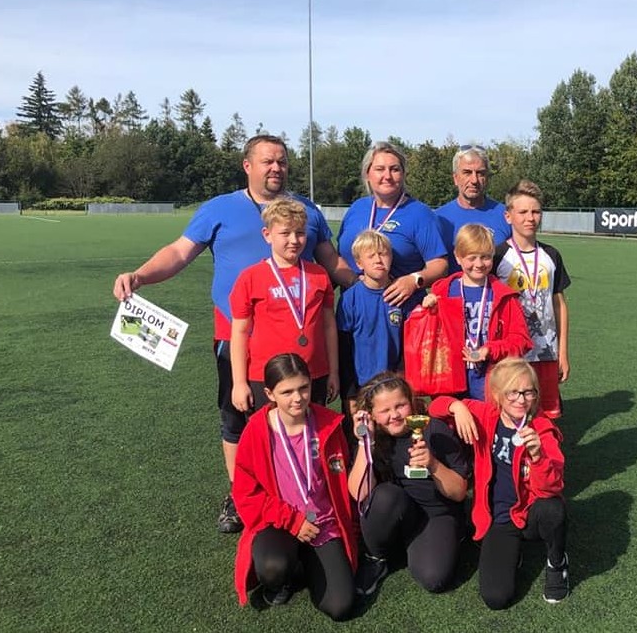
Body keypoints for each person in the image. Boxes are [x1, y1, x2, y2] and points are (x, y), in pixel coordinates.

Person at [112, 134, 355, 535]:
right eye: (267, 161)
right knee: (237, 416)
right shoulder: (219, 208)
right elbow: (179, 252)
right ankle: (240, 493)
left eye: (282, 161)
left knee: (300, 415)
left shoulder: (304, 211)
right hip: (236, 336)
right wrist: (139, 276)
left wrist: (371, 286)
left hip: (296, 343)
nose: (275, 168)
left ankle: (301, 491)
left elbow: (331, 261)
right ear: (247, 166)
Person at [428, 357, 568, 608]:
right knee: (495, 597)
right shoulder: (485, 415)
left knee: (553, 509)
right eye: (513, 392)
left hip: (530, 512)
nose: (521, 400)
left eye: (528, 392)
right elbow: (435, 407)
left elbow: (552, 488)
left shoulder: (542, 429)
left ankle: (557, 562)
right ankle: (513, 553)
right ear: (497, 395)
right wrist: (457, 407)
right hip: (500, 518)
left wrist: (538, 457)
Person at [232, 353, 357, 619]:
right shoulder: (257, 430)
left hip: (322, 522)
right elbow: (246, 493)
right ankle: (285, 573)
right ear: (269, 393)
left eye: (303, 388)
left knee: (340, 606)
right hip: (279, 523)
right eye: (286, 392)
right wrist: (292, 521)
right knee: (273, 567)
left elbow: (341, 477)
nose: (298, 398)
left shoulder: (329, 424)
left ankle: (304, 564)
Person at [347, 372, 469, 597]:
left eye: (400, 406)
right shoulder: (372, 439)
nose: (394, 415)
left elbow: (460, 492)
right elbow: (359, 493)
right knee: (384, 496)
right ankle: (376, 558)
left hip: (437, 513)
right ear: (371, 414)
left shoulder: (434, 430)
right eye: (384, 410)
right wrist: (366, 443)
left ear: (411, 403)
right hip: (398, 508)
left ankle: (438, 540)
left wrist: (433, 464)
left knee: (433, 578)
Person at [230, 198, 339, 417]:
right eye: (285, 233)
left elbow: (329, 326)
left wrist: (333, 372)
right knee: (269, 434)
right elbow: (240, 332)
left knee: (312, 433)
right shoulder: (250, 278)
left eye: (300, 233)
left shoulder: (319, 274)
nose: (294, 240)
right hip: (265, 377)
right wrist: (239, 382)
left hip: (313, 374)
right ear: (267, 235)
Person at [422, 223, 531, 400]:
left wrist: (490, 350)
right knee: (446, 417)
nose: (479, 264)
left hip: (491, 382)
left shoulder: (504, 296)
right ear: (458, 257)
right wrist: (428, 310)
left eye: (485, 257)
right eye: (471, 258)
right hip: (449, 381)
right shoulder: (442, 291)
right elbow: (429, 336)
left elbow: (522, 341)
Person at [493, 180, 570, 419]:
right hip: (512, 352)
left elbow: (559, 304)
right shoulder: (498, 256)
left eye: (536, 212)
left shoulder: (551, 255)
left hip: (547, 350)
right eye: (523, 212)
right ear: (508, 216)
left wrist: (563, 352)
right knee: (513, 413)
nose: (530, 218)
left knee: (547, 415)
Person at [337, 141, 448, 308]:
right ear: (367, 174)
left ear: (403, 174)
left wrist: (414, 280)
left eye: (394, 169)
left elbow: (440, 265)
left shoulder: (420, 214)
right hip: (355, 311)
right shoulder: (356, 208)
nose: (387, 176)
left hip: (401, 311)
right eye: (380, 169)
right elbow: (339, 256)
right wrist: (352, 280)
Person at [336, 229, 416, 419]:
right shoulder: (350, 298)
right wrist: (349, 394)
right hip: (361, 386)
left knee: (394, 428)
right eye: (371, 256)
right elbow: (343, 349)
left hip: (394, 385)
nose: (378, 260)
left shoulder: (401, 295)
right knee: (361, 432)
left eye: (383, 254)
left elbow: (410, 343)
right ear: (359, 263)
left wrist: (404, 380)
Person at [434, 144, 510, 274]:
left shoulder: (506, 216)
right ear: (455, 178)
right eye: (467, 173)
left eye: (480, 173)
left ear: (487, 178)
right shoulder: (437, 219)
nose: (474, 180)